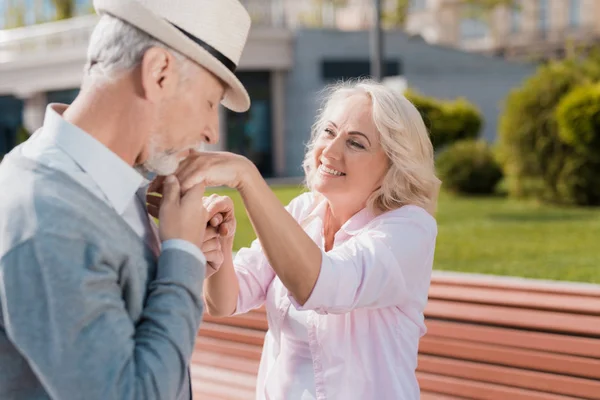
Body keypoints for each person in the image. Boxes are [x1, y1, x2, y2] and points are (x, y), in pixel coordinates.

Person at [0, 0, 252, 399]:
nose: (212, 132)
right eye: (209, 102)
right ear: (159, 73)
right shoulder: (48, 215)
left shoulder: (105, 185)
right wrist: (182, 254)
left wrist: (174, 263)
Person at [150, 79, 441, 399]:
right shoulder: (304, 212)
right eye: (329, 132)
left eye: (355, 143)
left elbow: (321, 284)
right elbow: (225, 302)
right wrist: (220, 243)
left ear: (394, 167)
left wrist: (245, 176)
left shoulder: (409, 230)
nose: (329, 151)